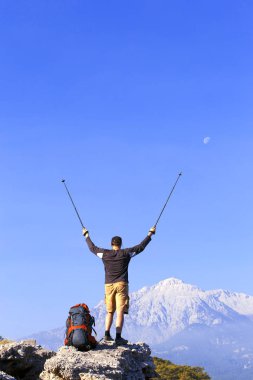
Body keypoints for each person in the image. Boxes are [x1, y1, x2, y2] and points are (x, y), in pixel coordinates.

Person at [82, 225, 156, 345]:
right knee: (120, 311)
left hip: (108, 285)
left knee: (110, 311)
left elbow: (92, 248)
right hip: (121, 284)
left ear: (111, 244)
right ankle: (118, 337)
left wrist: (86, 235)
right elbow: (140, 247)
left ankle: (106, 335)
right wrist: (150, 234)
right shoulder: (126, 253)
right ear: (120, 244)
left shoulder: (104, 254)